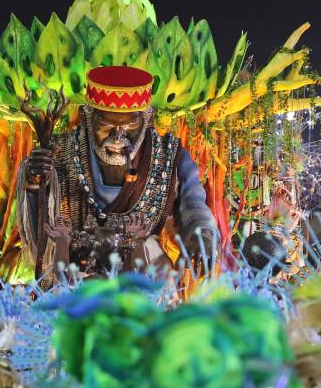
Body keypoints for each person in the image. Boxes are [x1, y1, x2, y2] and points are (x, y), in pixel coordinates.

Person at [17, 66, 218, 278]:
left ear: (148, 119)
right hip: (76, 282)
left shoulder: (171, 157)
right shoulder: (60, 153)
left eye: (130, 124)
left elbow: (194, 207)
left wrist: (202, 236)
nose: (118, 136)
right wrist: (32, 181)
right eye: (106, 124)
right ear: (87, 117)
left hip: (143, 281)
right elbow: (40, 227)